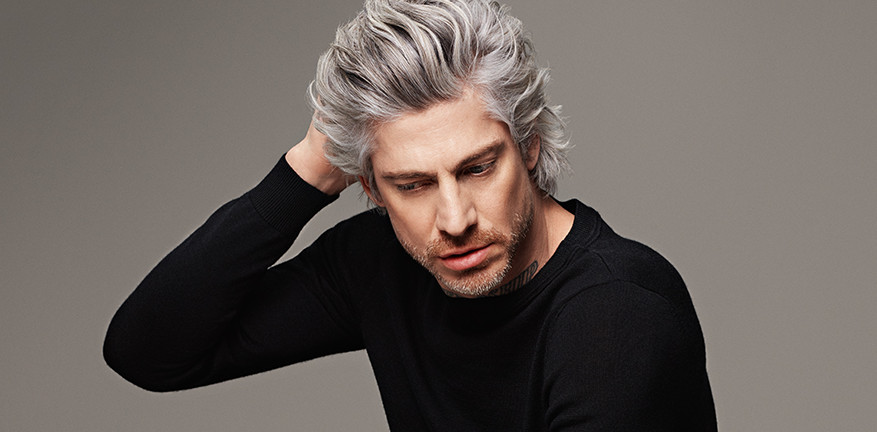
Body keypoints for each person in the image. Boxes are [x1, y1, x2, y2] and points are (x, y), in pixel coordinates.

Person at [104, 0, 717, 430]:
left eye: (477, 168)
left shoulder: (619, 314)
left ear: (528, 147)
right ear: (371, 188)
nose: (453, 219)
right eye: (413, 184)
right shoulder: (379, 263)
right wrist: (304, 175)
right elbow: (149, 351)